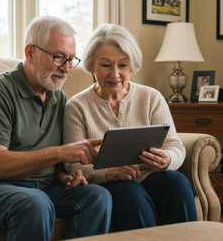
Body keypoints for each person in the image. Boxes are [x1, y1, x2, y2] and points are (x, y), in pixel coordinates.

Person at [0, 16, 112, 241]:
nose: (66, 68)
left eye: (70, 59)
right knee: (35, 203)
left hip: (41, 188)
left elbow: (53, 165)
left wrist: (63, 177)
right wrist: (63, 152)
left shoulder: (59, 98)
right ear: (30, 53)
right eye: (58, 58)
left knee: (98, 197)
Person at [63, 24, 197, 231]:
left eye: (123, 65)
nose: (115, 74)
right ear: (91, 66)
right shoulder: (77, 106)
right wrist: (108, 174)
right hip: (111, 182)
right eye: (106, 65)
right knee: (130, 193)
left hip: (151, 174)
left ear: (132, 66)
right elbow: (73, 166)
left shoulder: (151, 97)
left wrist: (168, 158)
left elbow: (175, 145)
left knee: (177, 183)